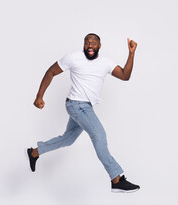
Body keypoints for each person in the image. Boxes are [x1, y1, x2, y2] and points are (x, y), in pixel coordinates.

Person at [26, 33, 140, 193]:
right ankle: (116, 178)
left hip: (85, 107)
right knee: (99, 136)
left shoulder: (105, 63)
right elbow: (51, 71)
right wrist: (39, 96)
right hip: (77, 105)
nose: (90, 45)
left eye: (94, 42)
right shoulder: (73, 57)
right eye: (87, 42)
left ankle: (34, 152)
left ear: (99, 46)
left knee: (68, 139)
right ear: (83, 45)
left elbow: (125, 76)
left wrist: (131, 53)